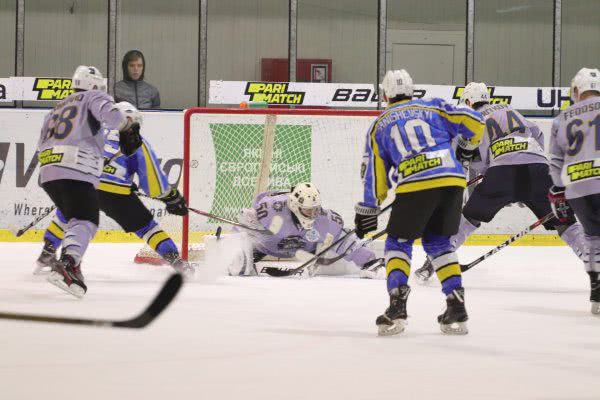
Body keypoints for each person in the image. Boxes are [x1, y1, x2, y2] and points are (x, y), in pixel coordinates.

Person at [414, 82, 587, 282]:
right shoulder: (511, 110)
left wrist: (490, 171)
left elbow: (469, 157)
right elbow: (538, 134)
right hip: (540, 169)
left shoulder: (471, 119)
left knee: (469, 218)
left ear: (469, 101)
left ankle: (433, 262)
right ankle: (592, 259)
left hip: (501, 173)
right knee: (564, 222)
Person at [354, 69, 484, 336]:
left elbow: (375, 174)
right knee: (438, 243)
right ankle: (456, 306)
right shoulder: (433, 106)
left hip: (415, 185)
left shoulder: (380, 124)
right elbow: (475, 120)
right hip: (452, 182)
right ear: (412, 90)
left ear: (385, 94)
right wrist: (468, 147)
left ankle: (397, 306)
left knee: (397, 243)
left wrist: (369, 207)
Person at [36, 102, 192, 277]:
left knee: (66, 214)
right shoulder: (137, 140)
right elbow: (154, 185)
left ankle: (47, 253)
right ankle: (176, 262)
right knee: (146, 227)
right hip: (114, 192)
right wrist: (172, 198)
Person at [37, 66, 142, 298]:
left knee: (75, 218)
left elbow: (42, 141)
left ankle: (71, 261)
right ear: (95, 85)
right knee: (86, 219)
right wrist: (128, 127)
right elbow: (112, 115)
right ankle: (69, 263)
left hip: (48, 171)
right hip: (75, 167)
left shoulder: (56, 108)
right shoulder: (94, 96)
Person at [225, 183, 384, 278]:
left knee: (339, 237)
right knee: (240, 267)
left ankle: (369, 262)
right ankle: (236, 259)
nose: (313, 214)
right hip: (266, 246)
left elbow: (346, 242)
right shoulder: (273, 211)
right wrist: (235, 249)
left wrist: (368, 261)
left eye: (316, 210)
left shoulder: (323, 220)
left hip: (303, 249)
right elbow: (243, 224)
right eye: (308, 211)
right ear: (295, 206)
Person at [548, 67, 600, 314]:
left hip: (577, 187)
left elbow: (556, 161)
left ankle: (596, 292)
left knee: (592, 237)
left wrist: (558, 191)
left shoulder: (562, 117)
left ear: (577, 90)